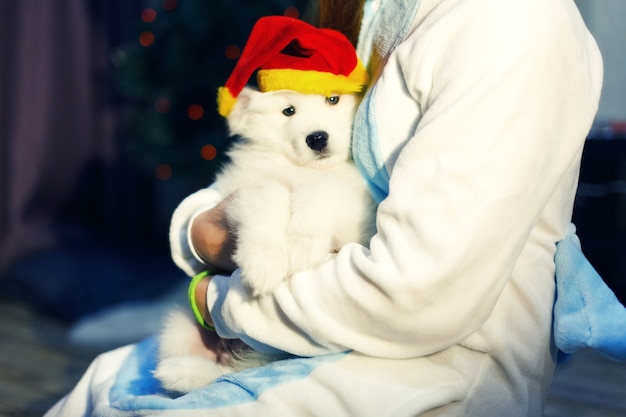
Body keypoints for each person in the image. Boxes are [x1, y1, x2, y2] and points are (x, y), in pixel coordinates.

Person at [46, 0, 610, 416]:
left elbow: (416, 295)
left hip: (434, 372)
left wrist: (215, 299)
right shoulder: (377, 12)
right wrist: (199, 233)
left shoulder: (510, 23)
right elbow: (251, 181)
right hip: (318, 320)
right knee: (98, 383)